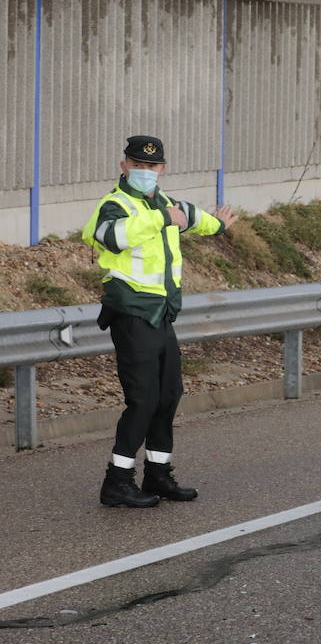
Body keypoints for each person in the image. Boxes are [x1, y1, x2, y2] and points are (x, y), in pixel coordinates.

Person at [81, 136, 238, 508]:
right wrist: (161, 218)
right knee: (143, 399)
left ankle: (158, 474)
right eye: (138, 165)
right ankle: (117, 482)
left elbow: (190, 217)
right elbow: (111, 238)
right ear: (124, 166)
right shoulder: (114, 205)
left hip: (161, 313)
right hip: (132, 312)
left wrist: (217, 226)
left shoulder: (164, 203)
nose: (145, 172)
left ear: (162, 169)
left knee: (168, 396)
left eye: (152, 167)